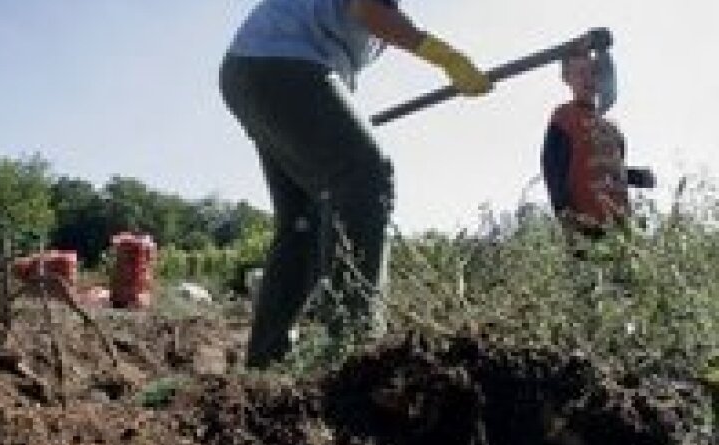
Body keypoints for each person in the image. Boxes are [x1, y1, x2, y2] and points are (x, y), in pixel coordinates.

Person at [220, 0, 492, 368]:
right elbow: (367, 8)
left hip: (252, 70)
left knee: (303, 220)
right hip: (283, 66)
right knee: (366, 178)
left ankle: (267, 361)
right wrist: (447, 57)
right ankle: (354, 352)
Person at [541, 46, 655, 254]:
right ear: (567, 77)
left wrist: (637, 176)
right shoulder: (564, 118)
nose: (588, 79)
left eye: (593, 72)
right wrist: (564, 214)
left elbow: (608, 173)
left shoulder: (612, 129)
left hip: (621, 229)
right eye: (581, 73)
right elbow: (552, 168)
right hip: (586, 228)